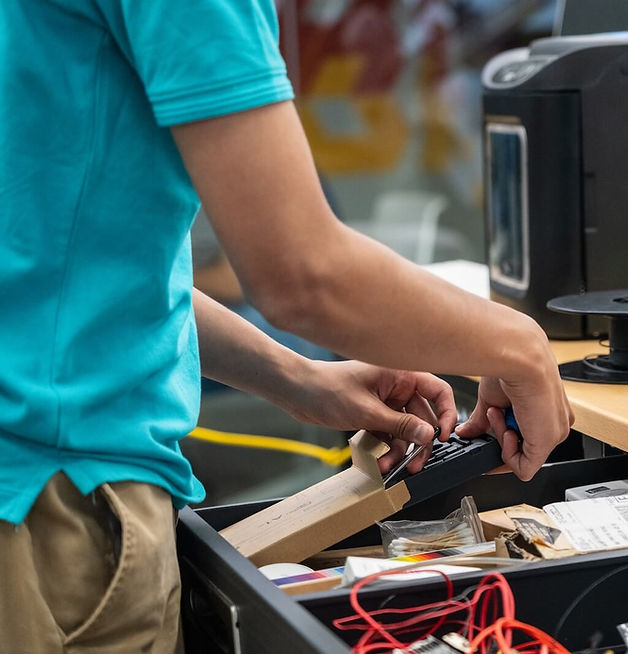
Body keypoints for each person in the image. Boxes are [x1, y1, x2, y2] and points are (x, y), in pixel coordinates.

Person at [0, 1, 574, 652]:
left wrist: (299, 378)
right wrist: (520, 346)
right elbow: (304, 274)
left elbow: (77, 269)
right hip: (48, 501)